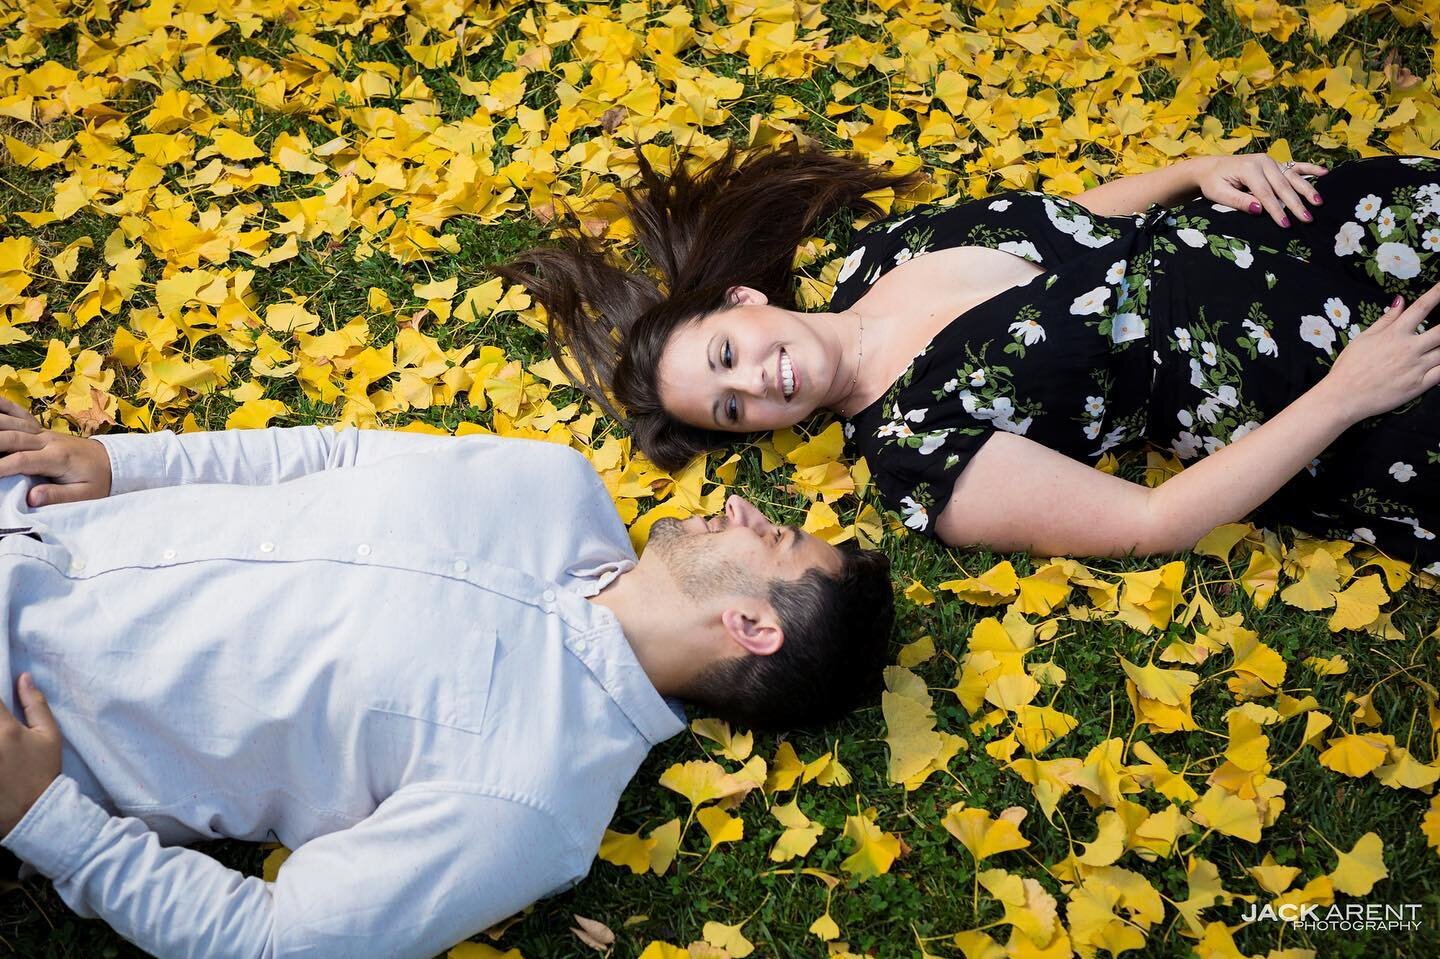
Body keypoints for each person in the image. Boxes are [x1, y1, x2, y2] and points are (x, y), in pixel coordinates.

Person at [0, 406, 895, 958]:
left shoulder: (541, 797)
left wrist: (50, 825)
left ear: (754, 627)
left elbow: (277, 940)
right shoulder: (551, 480)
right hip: (24, 500)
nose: (742, 506)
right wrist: (123, 463)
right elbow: (332, 454)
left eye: (770, 537)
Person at [496, 141, 1440, 570]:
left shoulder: (886, 251)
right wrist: (1347, 395)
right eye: (732, 407)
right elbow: (1151, 522)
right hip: (1314, 376)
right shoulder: (915, 451)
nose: (757, 382)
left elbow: (1077, 221)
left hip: (1321, 231)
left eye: (728, 354)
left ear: (745, 299)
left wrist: (1198, 170)